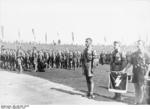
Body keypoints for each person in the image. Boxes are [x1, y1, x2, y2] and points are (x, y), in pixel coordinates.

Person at [124, 40, 150, 104]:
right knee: (136, 88)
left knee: (141, 89)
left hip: (143, 73)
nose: (138, 45)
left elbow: (149, 65)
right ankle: (136, 101)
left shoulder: (146, 54)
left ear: (143, 45)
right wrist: (124, 70)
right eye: (137, 44)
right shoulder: (134, 54)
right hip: (135, 73)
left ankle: (140, 102)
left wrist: (146, 74)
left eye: (140, 44)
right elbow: (130, 63)